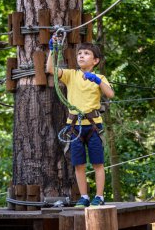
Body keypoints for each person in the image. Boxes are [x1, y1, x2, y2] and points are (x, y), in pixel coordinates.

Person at [47, 36, 114, 207]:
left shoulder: (100, 77)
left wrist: (98, 80)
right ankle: (84, 196)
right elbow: (50, 69)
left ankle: (99, 196)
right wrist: (53, 50)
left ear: (95, 60)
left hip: (93, 127)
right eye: (79, 53)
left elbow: (110, 94)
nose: (81, 56)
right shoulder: (71, 75)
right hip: (75, 127)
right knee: (79, 164)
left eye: (86, 53)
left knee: (98, 163)